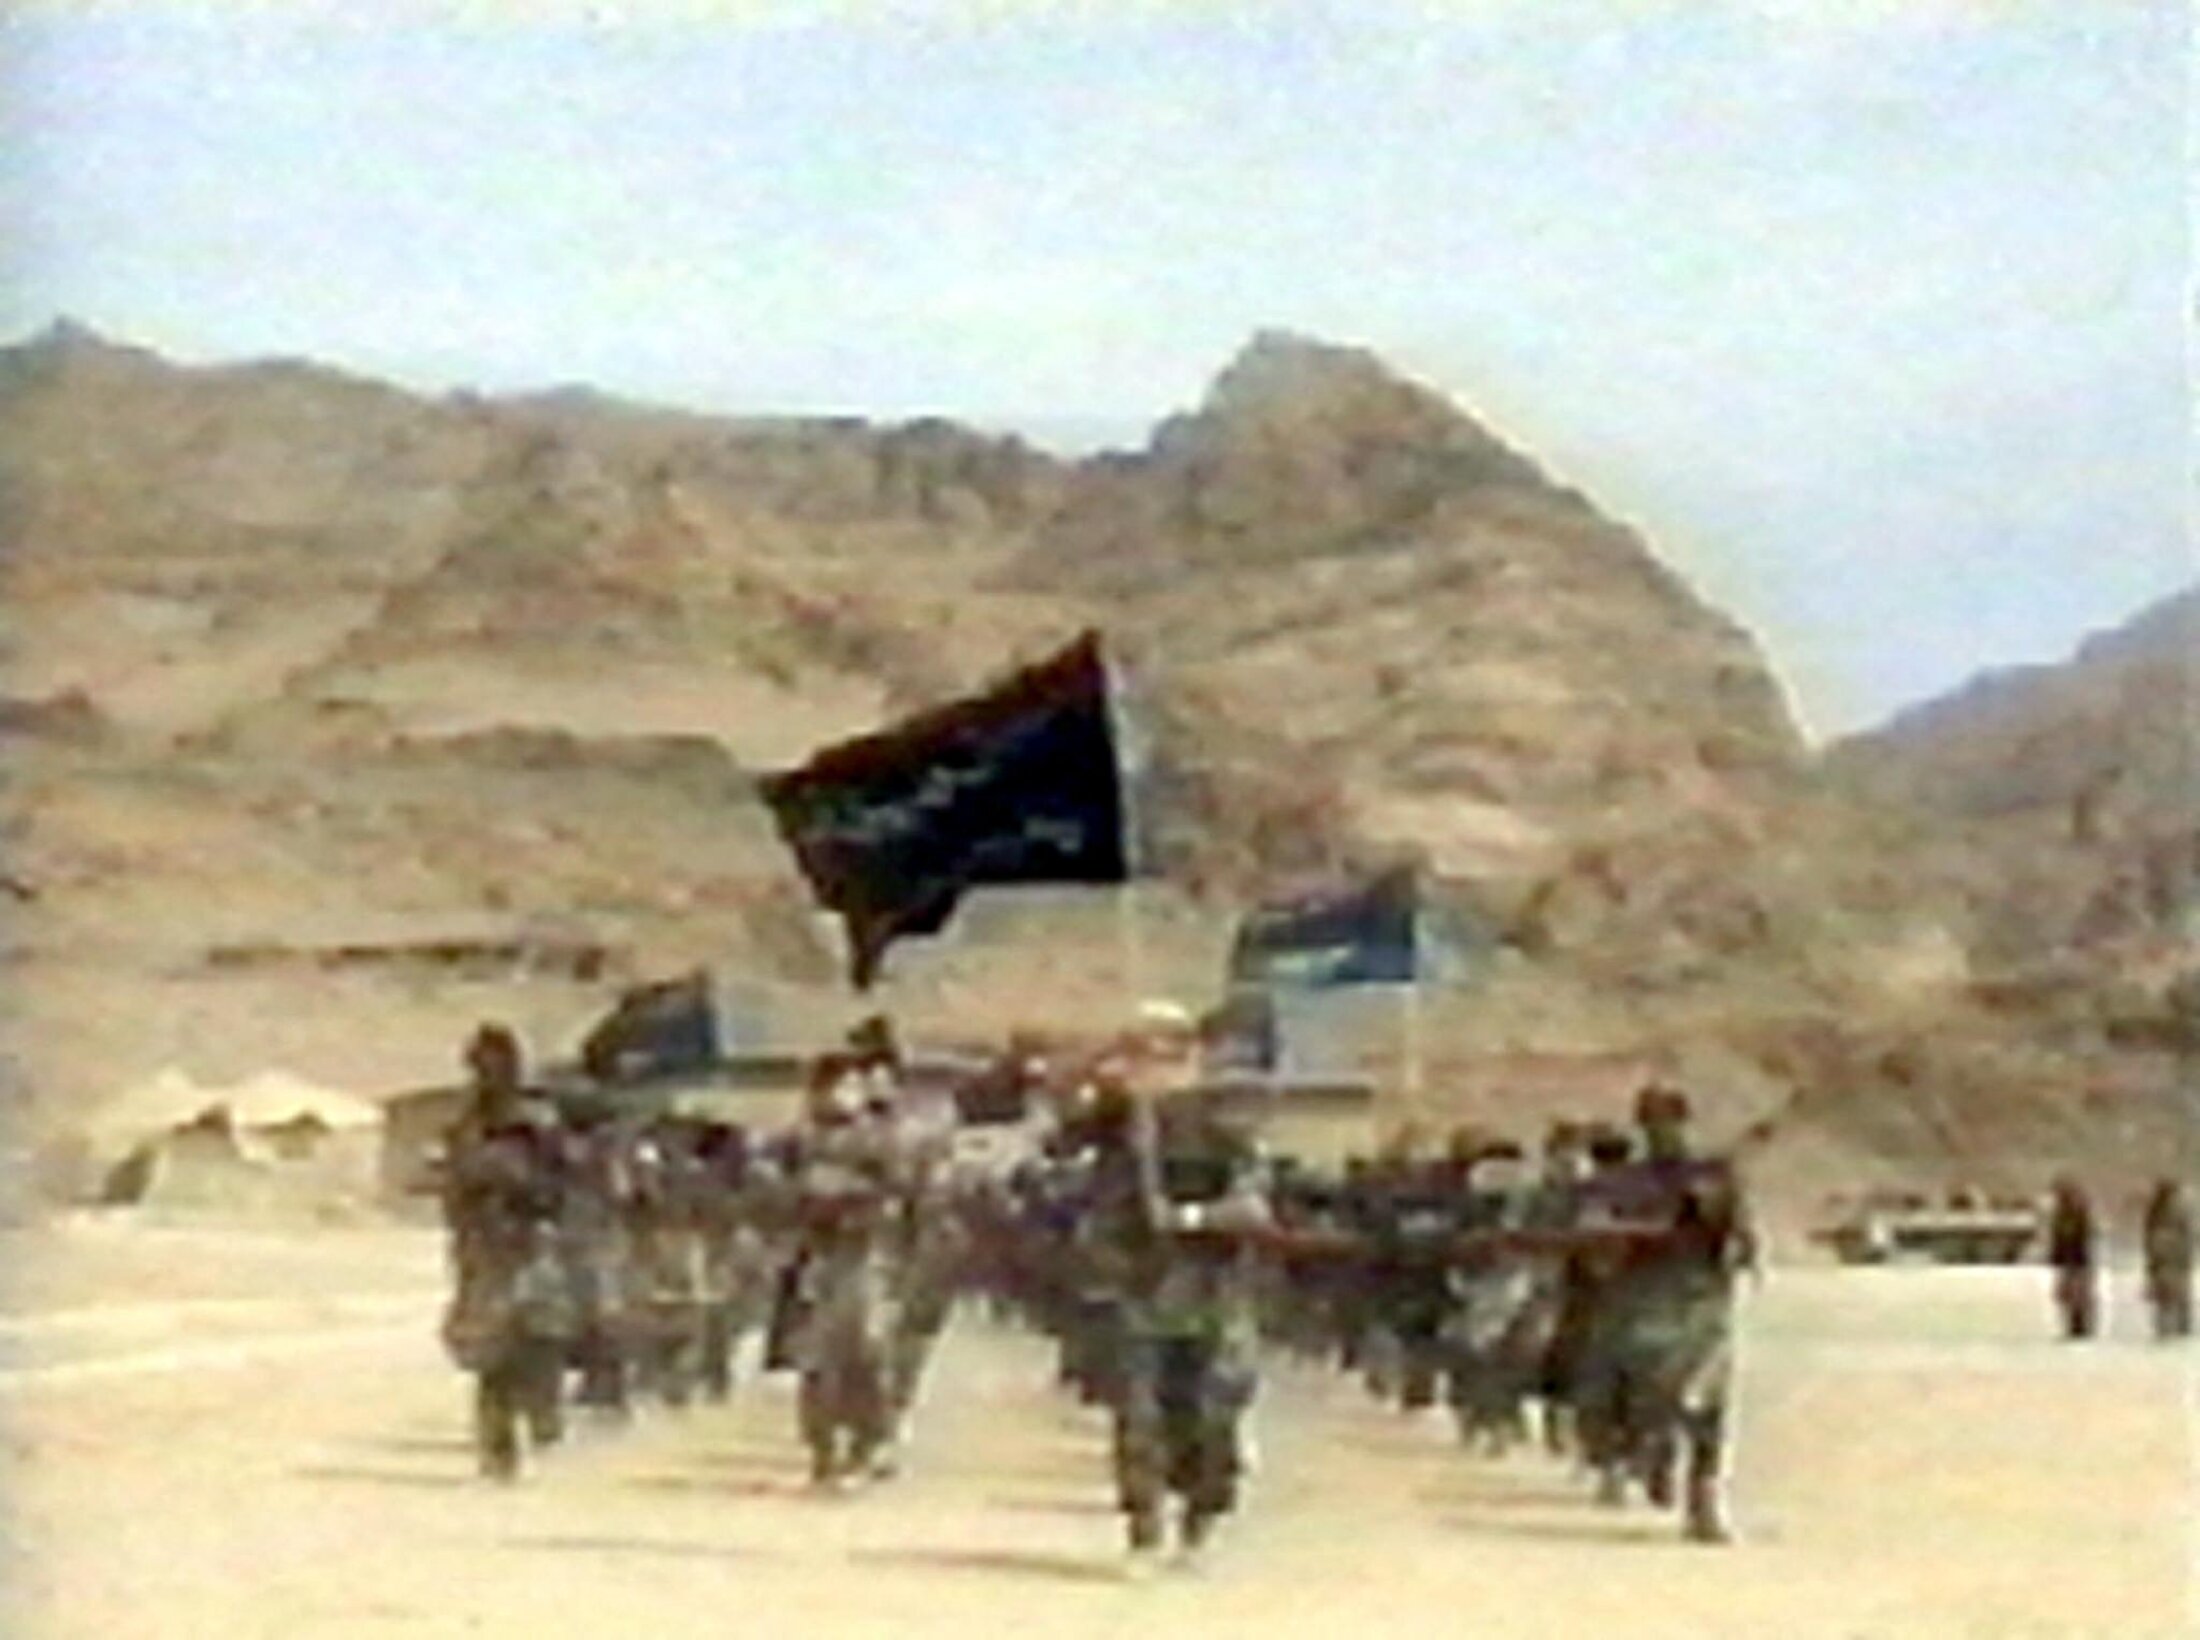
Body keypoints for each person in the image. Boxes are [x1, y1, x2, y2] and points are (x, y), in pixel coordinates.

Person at [1571, 1083, 1752, 1543]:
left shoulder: (1711, 1175)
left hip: (1699, 1300)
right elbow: (1594, 1236)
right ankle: (1639, 1456)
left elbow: (1738, 1238)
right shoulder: (1622, 1182)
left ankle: (1703, 1500)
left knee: (1709, 1405)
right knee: (1635, 1390)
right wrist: (1631, 1236)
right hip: (1640, 1301)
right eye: (1653, 1122)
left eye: (1669, 1120)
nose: (1662, 1131)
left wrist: (1713, 1209)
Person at [437, 1024, 572, 1481]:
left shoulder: (537, 1123)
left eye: (493, 1065)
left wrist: (522, 1188)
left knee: (539, 1344)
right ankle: (497, 1453)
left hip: (533, 1244)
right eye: (479, 1066)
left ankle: (545, 1427)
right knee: (490, 1355)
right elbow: (453, 1188)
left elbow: (562, 1184)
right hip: (485, 1251)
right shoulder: (465, 1124)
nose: (485, 1074)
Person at [787, 1051, 902, 1489]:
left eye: (852, 1086)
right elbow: (782, 1194)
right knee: (816, 1359)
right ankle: (823, 1449)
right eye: (836, 1086)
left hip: (866, 1255)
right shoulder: (801, 1140)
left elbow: (897, 1194)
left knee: (866, 1352)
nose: (844, 1095)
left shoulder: (877, 1139)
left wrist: (848, 1194)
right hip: (817, 1260)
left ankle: (868, 1443)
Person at [2046, 1176, 2100, 1340]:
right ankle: (2075, 1326)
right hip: (2071, 1260)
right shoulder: (2061, 1214)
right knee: (2070, 1296)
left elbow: (2081, 1236)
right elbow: (2058, 1237)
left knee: (2078, 1296)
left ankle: (2080, 1326)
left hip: (2078, 1259)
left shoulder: (2077, 1213)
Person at [2140, 1179, 2192, 1341]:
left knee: (2173, 1298)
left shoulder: (2175, 1210)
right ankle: (2171, 1332)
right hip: (2165, 1262)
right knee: (2168, 1298)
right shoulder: (2158, 1211)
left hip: (2171, 1261)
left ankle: (2176, 1332)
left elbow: (2186, 1236)